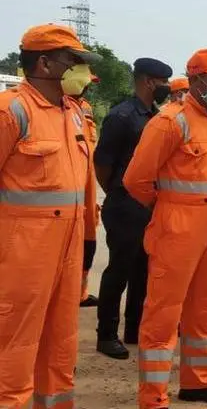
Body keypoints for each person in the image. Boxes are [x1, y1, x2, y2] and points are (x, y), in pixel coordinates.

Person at [124, 47, 207, 407]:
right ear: (196, 80)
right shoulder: (170, 121)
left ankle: (197, 382)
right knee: (163, 313)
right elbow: (136, 179)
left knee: (204, 308)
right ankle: (153, 396)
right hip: (177, 229)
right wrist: (168, 209)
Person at [0, 23, 101, 409]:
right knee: (14, 346)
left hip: (67, 251)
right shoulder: (12, 110)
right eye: (71, 60)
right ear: (43, 63)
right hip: (21, 255)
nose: (80, 70)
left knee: (60, 342)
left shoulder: (73, 113)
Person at [94, 58, 173, 360]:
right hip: (125, 204)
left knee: (143, 269)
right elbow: (103, 163)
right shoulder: (122, 116)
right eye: (163, 82)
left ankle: (134, 328)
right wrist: (117, 192)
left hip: (148, 204)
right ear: (149, 82)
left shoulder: (155, 115)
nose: (167, 87)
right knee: (120, 269)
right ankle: (106, 334)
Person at [78, 74, 101, 308]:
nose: (86, 87)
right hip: (71, 187)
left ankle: (80, 293)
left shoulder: (85, 108)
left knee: (88, 245)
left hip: (88, 186)